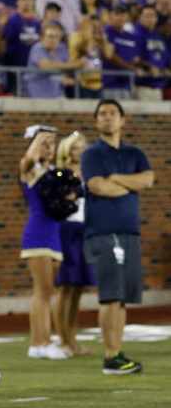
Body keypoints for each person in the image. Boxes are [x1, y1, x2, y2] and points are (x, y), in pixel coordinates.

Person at [82, 99, 153, 375]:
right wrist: (128, 182)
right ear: (96, 120)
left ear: (123, 120)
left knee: (123, 297)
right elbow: (98, 187)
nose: (107, 117)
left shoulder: (135, 152)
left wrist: (116, 178)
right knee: (110, 295)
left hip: (130, 233)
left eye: (113, 113)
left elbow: (147, 179)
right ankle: (110, 357)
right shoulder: (91, 154)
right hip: (103, 232)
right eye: (102, 114)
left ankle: (118, 352)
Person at [19, 124, 68, 360]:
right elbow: (28, 160)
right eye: (45, 143)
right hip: (37, 236)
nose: (50, 147)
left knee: (50, 291)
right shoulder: (29, 168)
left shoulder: (53, 171)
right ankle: (39, 343)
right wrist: (38, 141)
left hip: (54, 235)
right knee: (42, 291)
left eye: (52, 143)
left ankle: (44, 339)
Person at [54, 131, 94, 357]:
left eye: (83, 146)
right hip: (66, 230)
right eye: (77, 146)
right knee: (65, 288)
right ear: (68, 150)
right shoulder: (61, 173)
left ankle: (73, 340)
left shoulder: (87, 172)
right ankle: (63, 341)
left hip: (84, 229)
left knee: (78, 288)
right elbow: (63, 200)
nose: (81, 150)